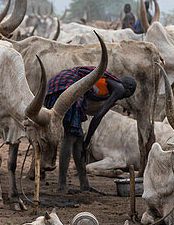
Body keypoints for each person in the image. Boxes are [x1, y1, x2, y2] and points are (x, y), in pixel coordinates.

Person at [46, 65, 137, 193]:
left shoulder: (109, 83)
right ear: (129, 88)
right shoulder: (119, 88)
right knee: (71, 136)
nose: (123, 98)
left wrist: (84, 142)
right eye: (127, 95)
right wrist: (88, 141)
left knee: (78, 138)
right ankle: (62, 185)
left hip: (65, 86)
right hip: (67, 87)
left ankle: (84, 184)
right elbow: (98, 115)